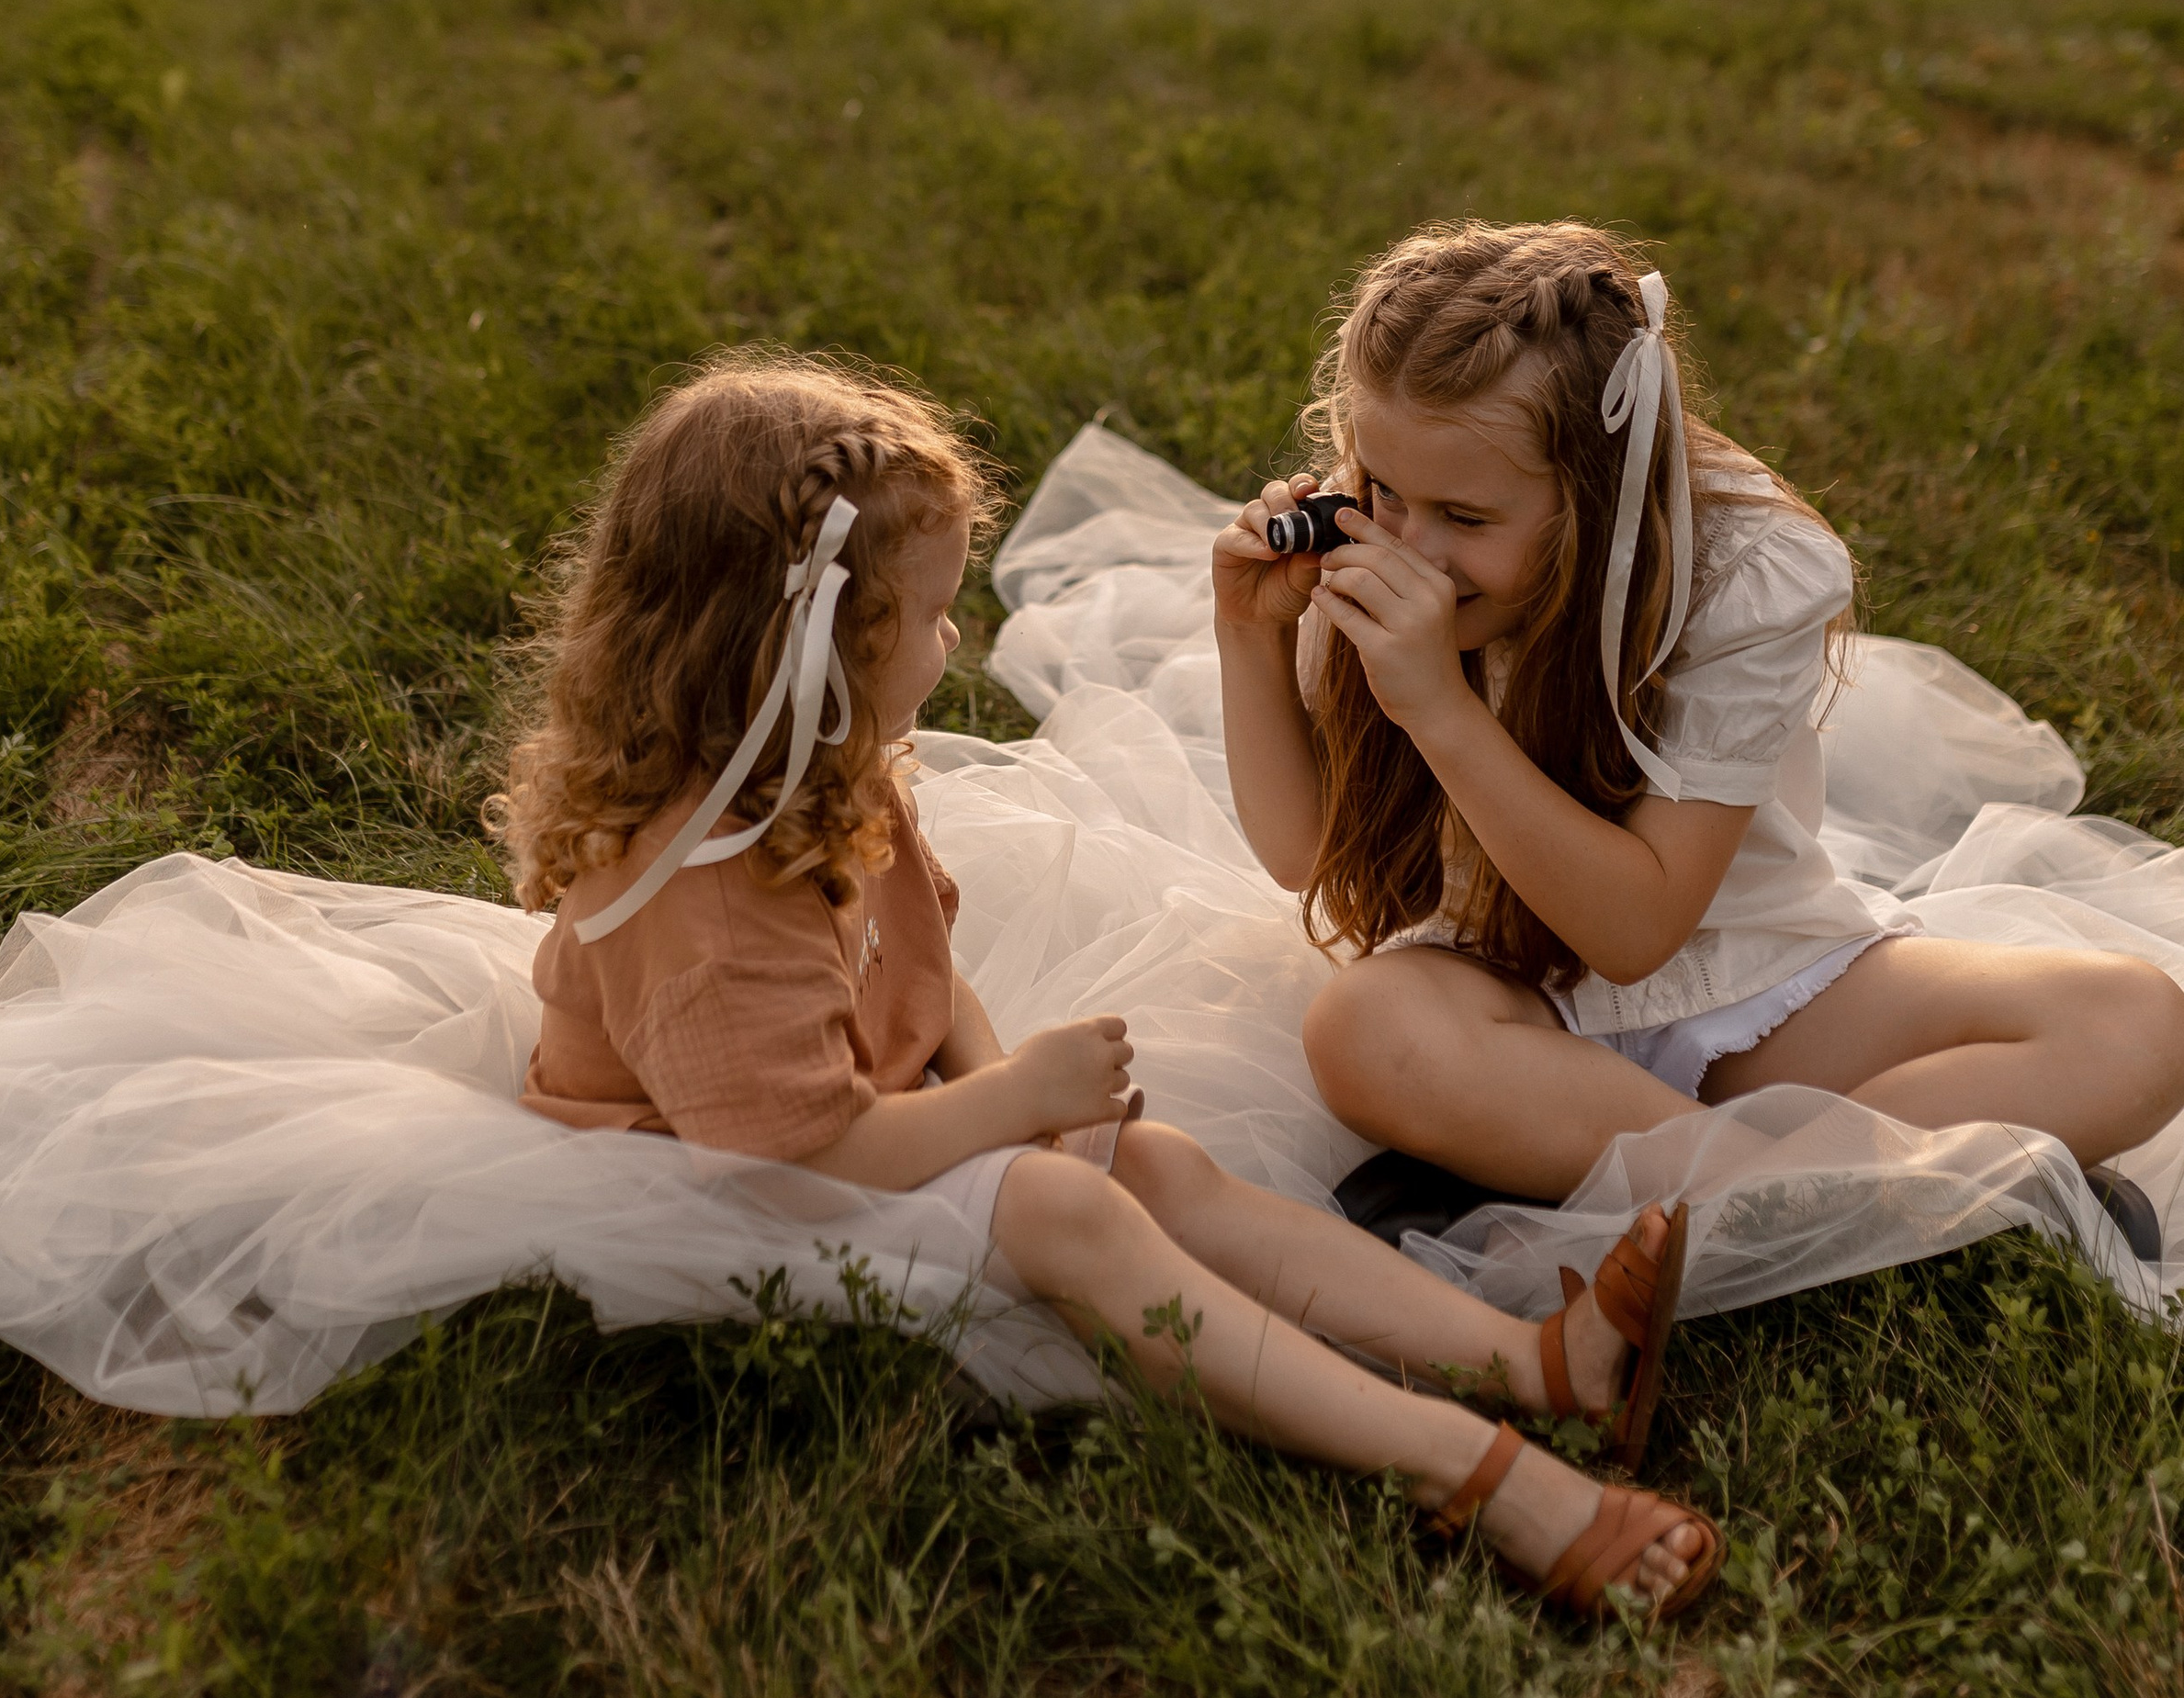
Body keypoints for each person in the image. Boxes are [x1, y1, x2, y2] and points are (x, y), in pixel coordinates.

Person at [488, 347, 1723, 1623]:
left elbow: (925, 977)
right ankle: (1485, 1479)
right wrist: (1014, 1103)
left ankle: (1534, 1363)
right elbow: (797, 1153)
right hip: (712, 1192)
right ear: (801, 650)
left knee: (1153, 1167)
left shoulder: (831, 768)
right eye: (922, 616)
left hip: (842, 1135)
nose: (950, 636)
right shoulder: (702, 900)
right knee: (1055, 1212)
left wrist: (1009, 1093)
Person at [1215, 220, 2184, 1236]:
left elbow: (1636, 933)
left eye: (1465, 517)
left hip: (1752, 976)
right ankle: (1880, 1188)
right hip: (1498, 997)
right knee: (1367, 1031)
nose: (1413, 545)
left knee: (2137, 1025)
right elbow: (1302, 855)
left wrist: (1442, 710)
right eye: (1385, 493)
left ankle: (1647, 1182)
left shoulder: (1745, 569)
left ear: (1593, 495)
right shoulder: (1370, 542)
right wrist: (1248, 637)